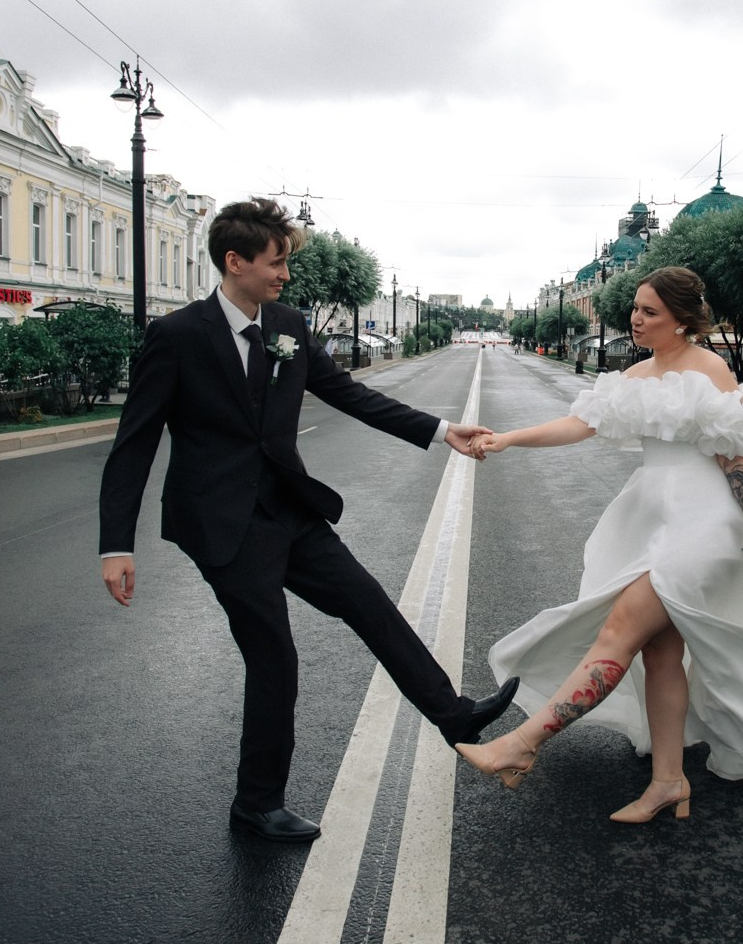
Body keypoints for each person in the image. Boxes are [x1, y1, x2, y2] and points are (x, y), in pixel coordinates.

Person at [97, 198, 518, 844]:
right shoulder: (178, 336)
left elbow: (349, 392)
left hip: (289, 510)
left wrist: (440, 431)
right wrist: (115, 544)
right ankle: (257, 802)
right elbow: (135, 441)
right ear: (235, 261)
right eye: (276, 262)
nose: (285, 275)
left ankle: (454, 714)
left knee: (368, 603)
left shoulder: (287, 323)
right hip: (223, 527)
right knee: (276, 659)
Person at [458, 266, 743, 822]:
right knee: (660, 651)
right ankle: (669, 782)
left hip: (705, 524)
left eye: (650, 311)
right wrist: (506, 439)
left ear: (682, 319)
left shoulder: (709, 368)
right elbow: (580, 424)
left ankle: (522, 743)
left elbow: (734, 457)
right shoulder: (637, 372)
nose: (636, 319)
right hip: (651, 517)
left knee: (621, 628)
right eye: (636, 309)